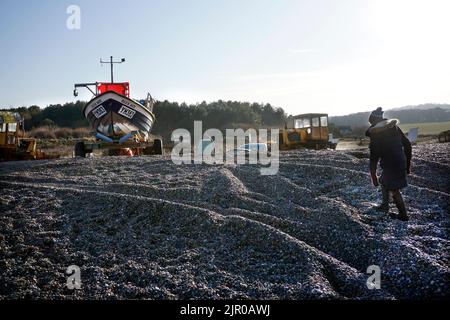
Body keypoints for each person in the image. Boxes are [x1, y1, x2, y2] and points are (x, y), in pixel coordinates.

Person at [365, 107, 412, 221]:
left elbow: (374, 157)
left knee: (394, 190)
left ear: (372, 122)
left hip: (391, 163)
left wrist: (373, 175)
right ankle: (385, 206)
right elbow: (407, 144)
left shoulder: (375, 134)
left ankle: (403, 215)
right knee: (384, 181)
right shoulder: (394, 127)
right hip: (400, 160)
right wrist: (407, 164)